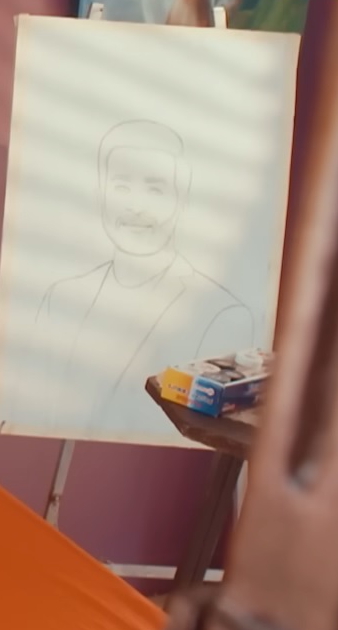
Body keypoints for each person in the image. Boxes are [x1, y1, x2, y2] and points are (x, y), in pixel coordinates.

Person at [33, 120, 255, 437]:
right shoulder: (59, 298)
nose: (135, 206)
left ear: (181, 198)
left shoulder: (221, 313)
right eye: (122, 187)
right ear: (99, 194)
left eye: (155, 189)